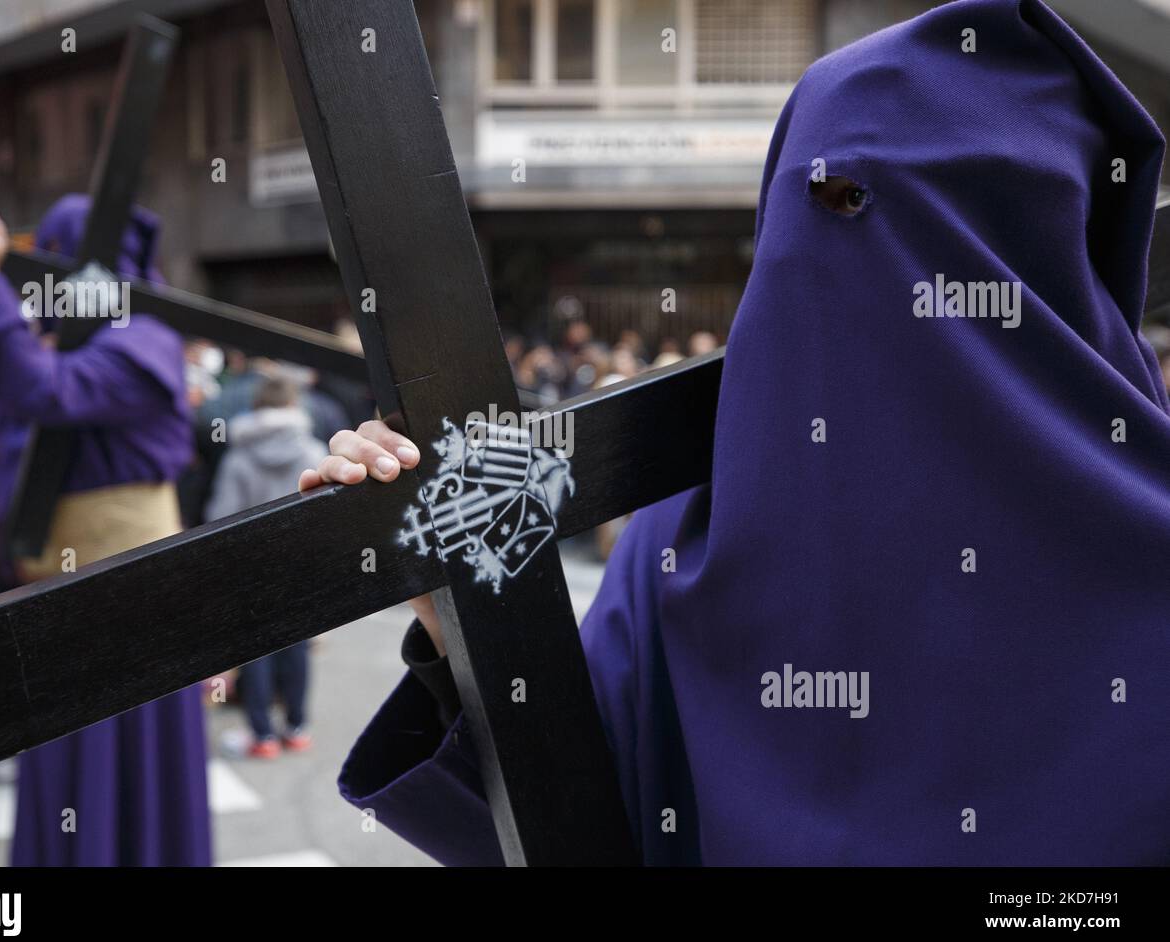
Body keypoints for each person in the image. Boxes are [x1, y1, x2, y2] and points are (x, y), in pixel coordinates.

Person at [300, 0, 1170, 865]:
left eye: (940, 234)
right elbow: (576, 811)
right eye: (824, 208)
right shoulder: (685, 536)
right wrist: (449, 599)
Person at [0, 196, 212, 866]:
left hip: (133, 599)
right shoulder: (58, 338)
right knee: (65, 774)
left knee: (130, 772)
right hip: (58, 597)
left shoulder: (145, 337)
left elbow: (43, 393)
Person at [205, 374, 326, 757]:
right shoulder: (313, 451)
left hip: (250, 567)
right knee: (298, 646)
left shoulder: (239, 456)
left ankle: (263, 736)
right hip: (302, 563)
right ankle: (296, 726)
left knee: (255, 651)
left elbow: (221, 516)